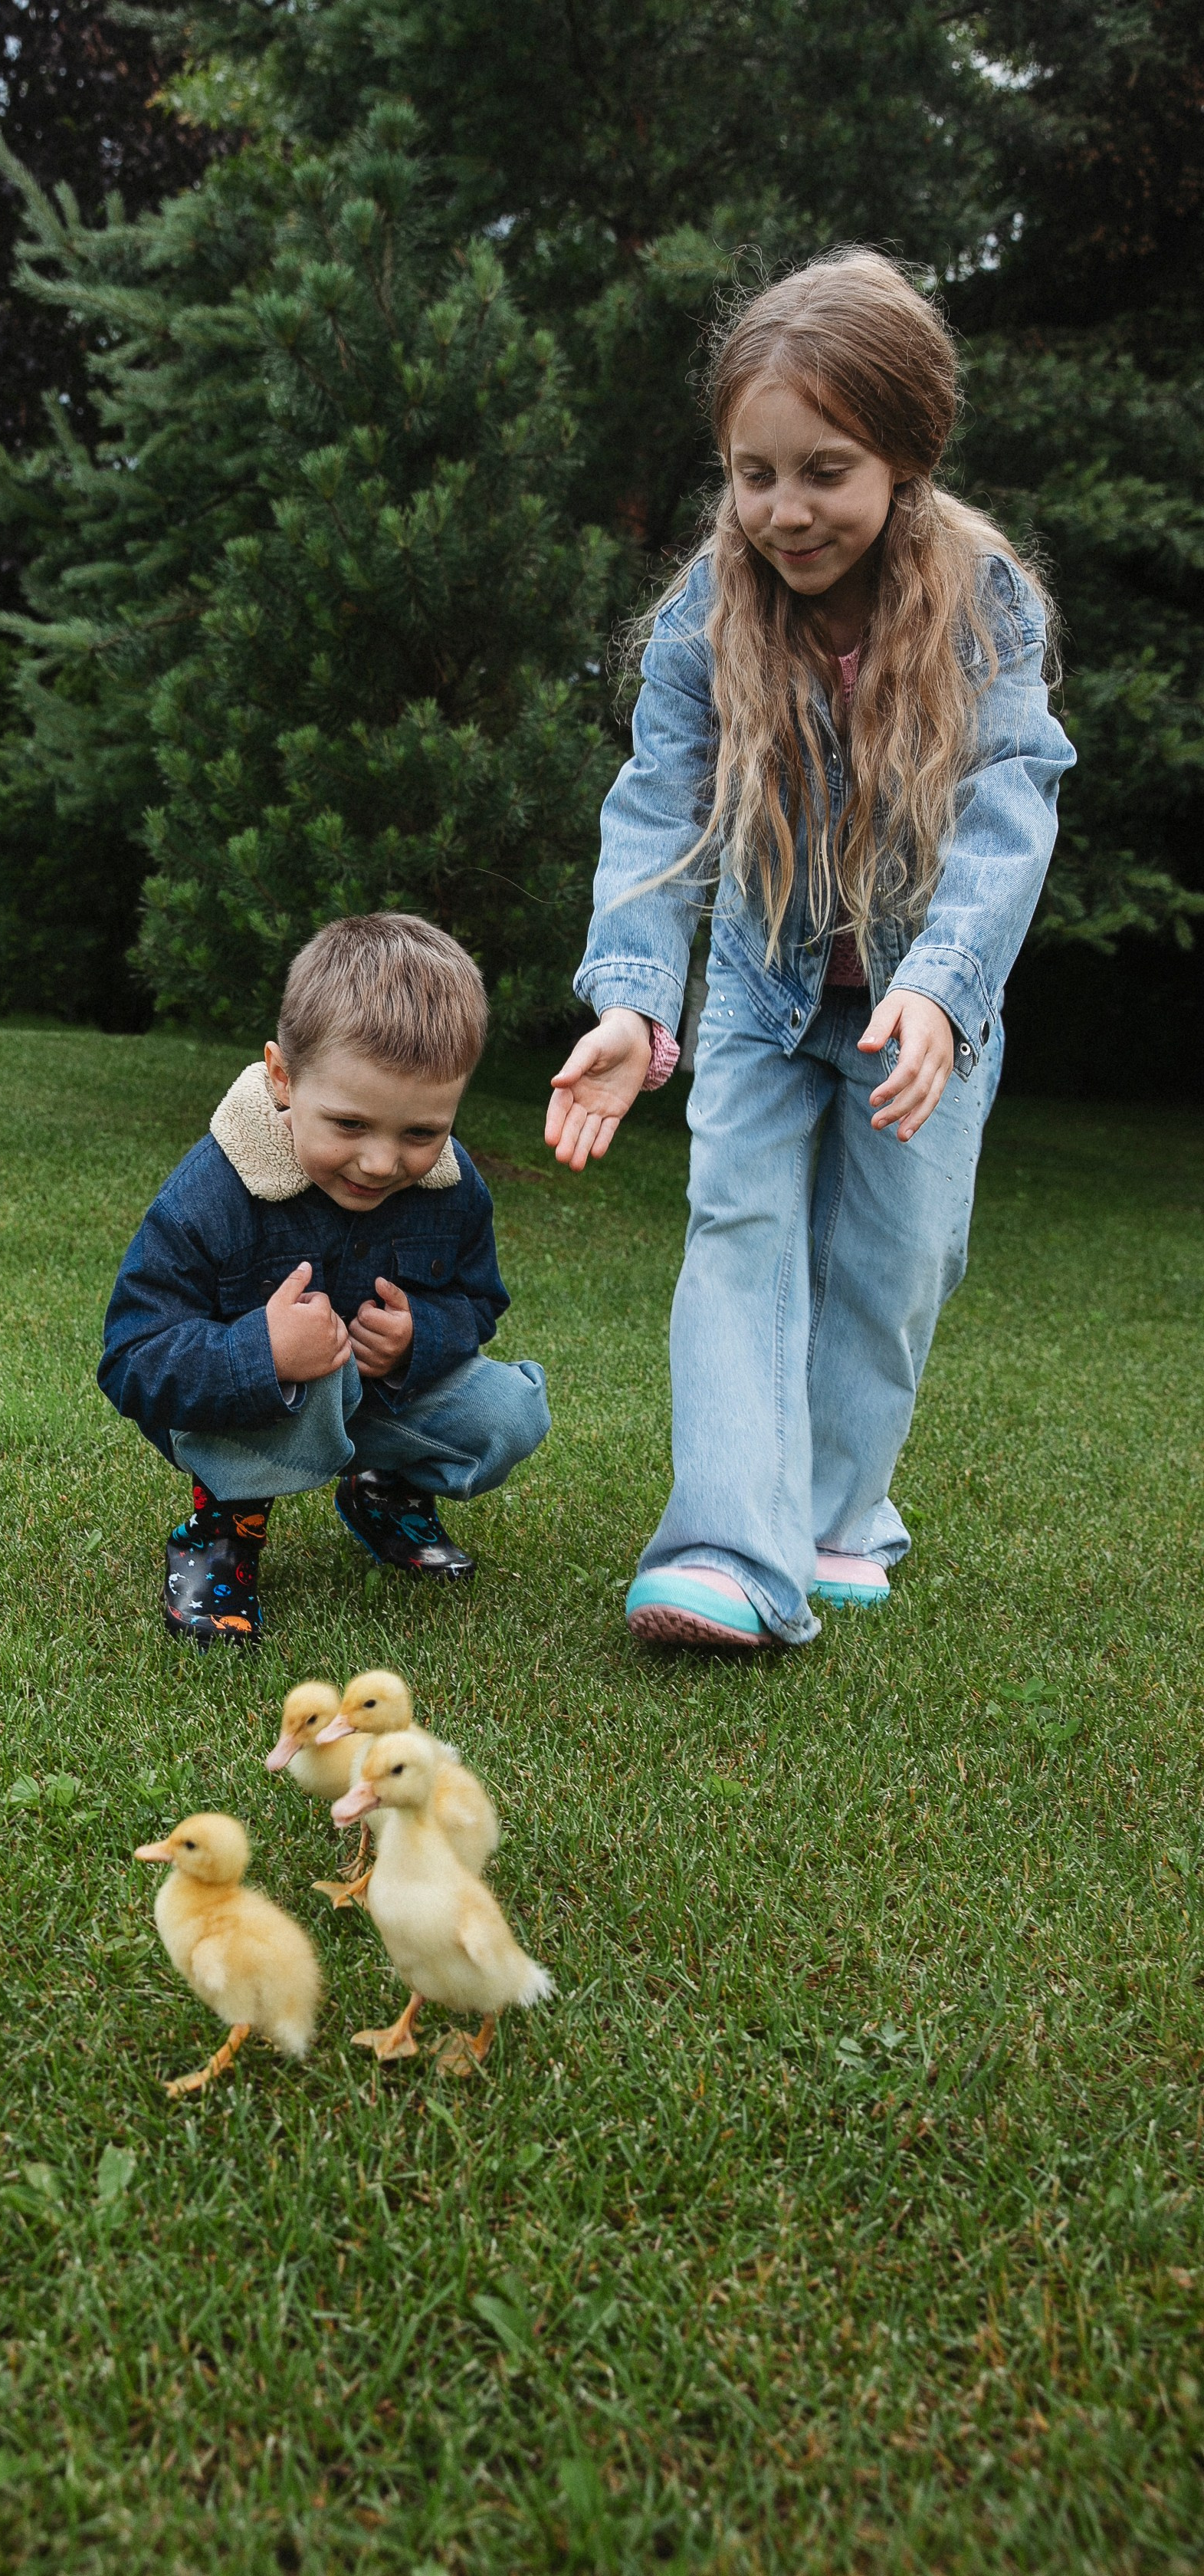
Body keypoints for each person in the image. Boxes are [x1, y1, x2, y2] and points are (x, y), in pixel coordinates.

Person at [547, 250, 1075, 1651]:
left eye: (824, 470)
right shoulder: (702, 623)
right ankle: (728, 1549)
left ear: (907, 454)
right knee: (738, 1236)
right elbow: (658, 815)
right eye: (752, 472)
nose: (784, 511)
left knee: (898, 1268)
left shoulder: (983, 601)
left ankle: (837, 1518)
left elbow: (1010, 806)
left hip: (922, 1009)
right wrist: (631, 1000)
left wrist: (943, 994)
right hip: (764, 1001)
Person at [102, 913, 550, 1647]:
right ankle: (221, 1532)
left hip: (374, 1396)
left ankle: (382, 1489)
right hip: (243, 1408)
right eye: (348, 1125)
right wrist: (263, 1352)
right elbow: (130, 1358)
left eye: (420, 1132)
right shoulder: (213, 1192)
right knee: (314, 1375)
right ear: (283, 1077)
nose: (382, 1163)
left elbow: (479, 1300)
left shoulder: (453, 1185)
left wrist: (419, 1339)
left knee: (509, 1414)